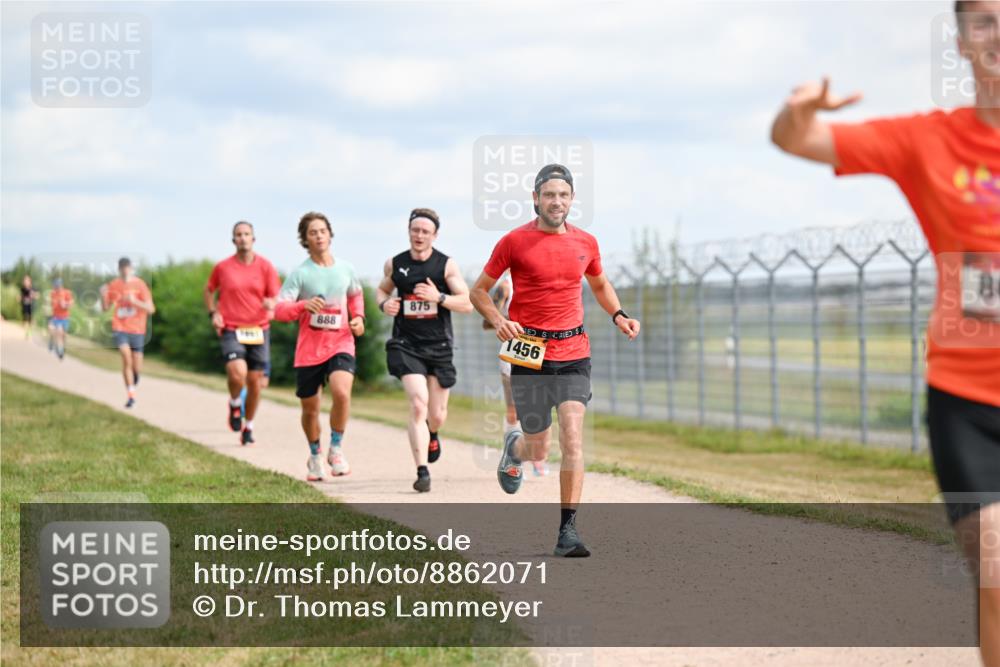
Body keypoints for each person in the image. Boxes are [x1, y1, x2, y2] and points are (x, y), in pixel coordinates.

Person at [770, 1, 1000, 661]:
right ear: (960, 42)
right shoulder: (928, 140)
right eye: (983, 20)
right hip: (969, 397)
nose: (999, 31)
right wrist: (800, 108)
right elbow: (794, 140)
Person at [471, 164, 641, 557]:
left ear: (572, 199)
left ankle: (568, 531)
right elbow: (480, 291)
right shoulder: (514, 241)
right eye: (549, 195)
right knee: (538, 447)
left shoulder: (586, 242)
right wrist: (498, 319)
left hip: (573, 351)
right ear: (535, 198)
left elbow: (599, 283)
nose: (557, 202)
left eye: (563, 195)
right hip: (528, 351)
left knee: (573, 436)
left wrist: (618, 315)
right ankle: (515, 450)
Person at [376, 208, 473, 493]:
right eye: (415, 230)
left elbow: (467, 303)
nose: (419, 236)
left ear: (434, 235)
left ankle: (433, 433)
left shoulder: (445, 266)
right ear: (409, 231)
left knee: (437, 413)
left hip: (439, 346)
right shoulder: (395, 264)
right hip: (406, 344)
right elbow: (382, 291)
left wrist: (438, 297)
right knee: (418, 403)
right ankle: (422, 471)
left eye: (425, 232)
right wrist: (384, 304)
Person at [275, 212, 365, 482]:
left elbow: (355, 296)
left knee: (341, 393)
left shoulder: (345, 269)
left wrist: (358, 318)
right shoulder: (300, 274)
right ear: (305, 239)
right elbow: (279, 310)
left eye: (322, 231)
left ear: (330, 234)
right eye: (312, 232)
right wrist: (303, 305)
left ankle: (335, 448)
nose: (319, 236)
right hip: (309, 350)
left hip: (341, 342)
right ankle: (315, 454)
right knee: (310, 409)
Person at [205, 221, 281, 445]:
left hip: (259, 328)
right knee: (237, 373)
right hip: (231, 327)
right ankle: (235, 402)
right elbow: (209, 290)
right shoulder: (223, 267)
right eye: (238, 234)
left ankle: (249, 427)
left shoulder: (266, 267)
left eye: (247, 234)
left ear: (253, 239)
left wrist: (271, 303)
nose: (243, 238)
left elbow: (276, 297)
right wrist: (213, 313)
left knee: (256, 382)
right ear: (233, 240)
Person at [483, 271, 548, 476]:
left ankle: (537, 457)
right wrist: (507, 321)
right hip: (516, 349)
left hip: (543, 348)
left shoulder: (545, 280)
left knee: (542, 405)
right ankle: (511, 460)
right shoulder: (505, 287)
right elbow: (487, 323)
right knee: (514, 409)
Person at [100, 257, 155, 408]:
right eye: (122, 267)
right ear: (119, 269)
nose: (125, 270)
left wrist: (134, 301)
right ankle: (131, 395)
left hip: (137, 329)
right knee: (126, 356)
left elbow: (151, 309)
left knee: (136, 365)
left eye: (127, 267)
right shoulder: (114, 285)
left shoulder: (140, 285)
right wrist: (103, 294)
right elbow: (105, 308)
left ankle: (134, 378)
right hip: (120, 327)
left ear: (131, 268)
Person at [48, 278, 74, 360]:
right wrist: (58, 304)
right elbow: (53, 305)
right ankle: (60, 351)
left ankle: (61, 347)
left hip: (65, 317)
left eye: (58, 286)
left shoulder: (67, 292)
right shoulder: (53, 294)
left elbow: (71, 303)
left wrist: (66, 304)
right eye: (56, 287)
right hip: (56, 317)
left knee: (63, 335)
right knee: (56, 331)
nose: (57, 288)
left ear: (61, 286)